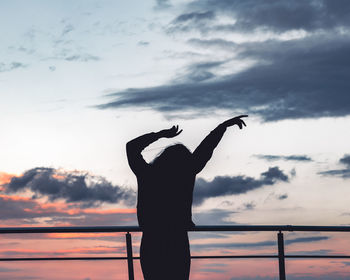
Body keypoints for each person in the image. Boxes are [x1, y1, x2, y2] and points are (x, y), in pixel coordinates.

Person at [126, 115, 247, 280]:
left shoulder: (147, 174)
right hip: (177, 240)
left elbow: (131, 147)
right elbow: (205, 149)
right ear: (185, 162)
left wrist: (160, 135)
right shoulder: (186, 173)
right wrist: (222, 127)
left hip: (152, 240)